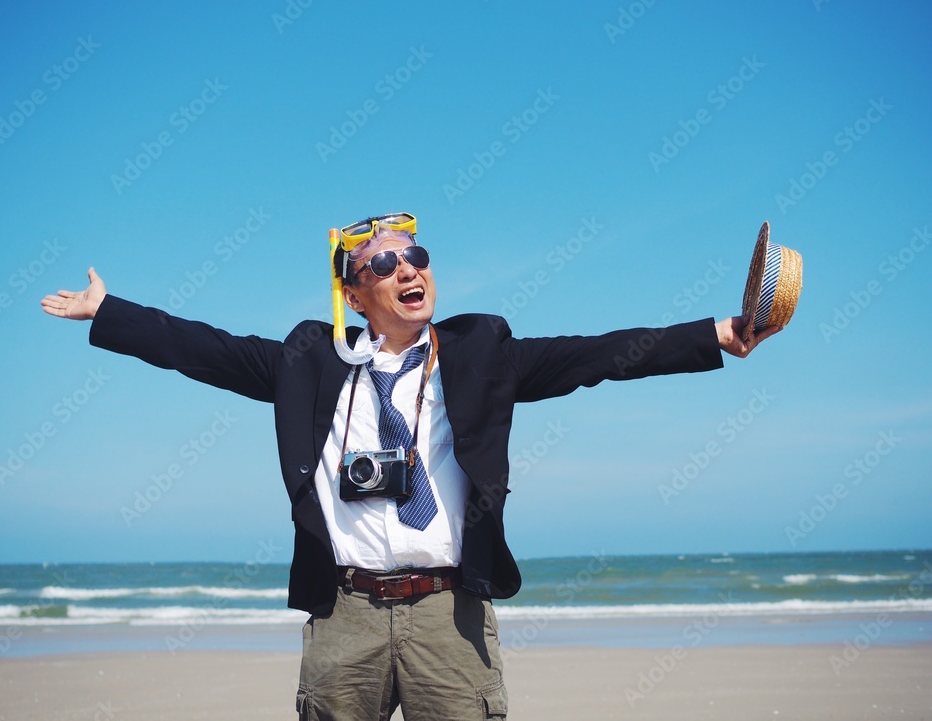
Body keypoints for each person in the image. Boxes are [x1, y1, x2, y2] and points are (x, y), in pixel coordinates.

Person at [41, 213, 779, 720]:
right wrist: (111, 312)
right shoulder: (311, 362)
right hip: (345, 614)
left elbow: (600, 357)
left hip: (447, 611)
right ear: (355, 293)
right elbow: (203, 348)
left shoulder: (483, 353)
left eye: (416, 257)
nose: (407, 269)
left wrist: (713, 334)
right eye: (383, 263)